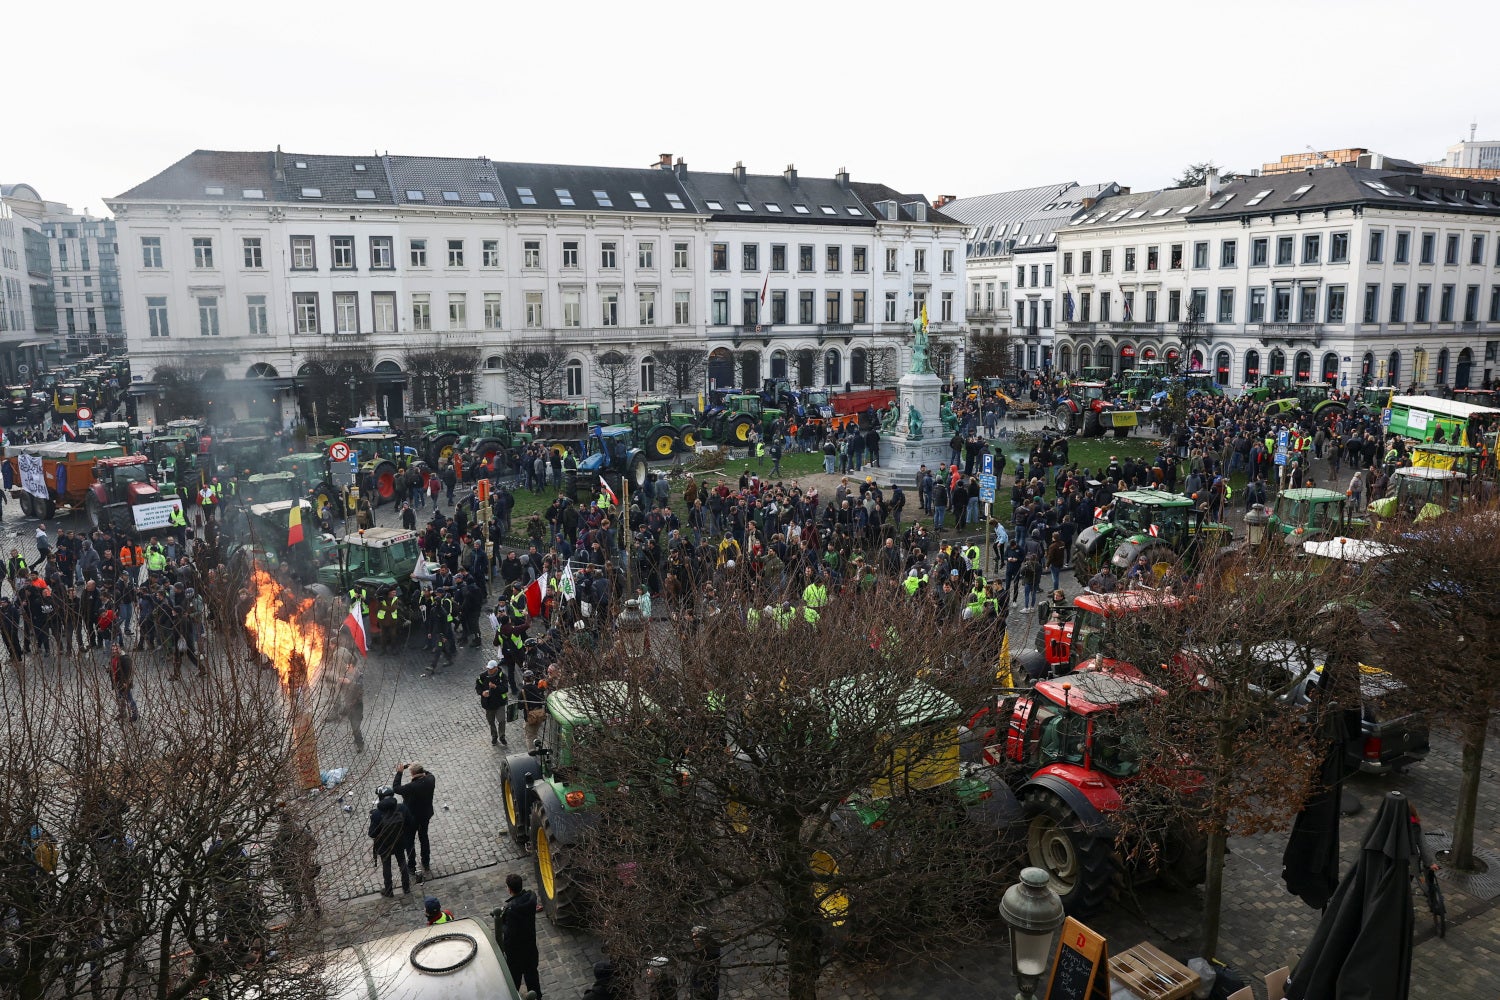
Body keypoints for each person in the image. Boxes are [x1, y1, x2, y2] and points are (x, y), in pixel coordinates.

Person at [494, 873, 541, 998]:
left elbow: (509, 933)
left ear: (509, 889)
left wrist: (501, 921)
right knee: (532, 976)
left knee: (514, 980)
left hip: (516, 952)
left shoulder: (511, 910)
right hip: (530, 946)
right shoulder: (531, 898)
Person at [393, 762, 436, 876]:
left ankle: (411, 865)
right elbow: (427, 773)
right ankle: (425, 862)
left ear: (412, 773)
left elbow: (396, 788)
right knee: (424, 838)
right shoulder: (431, 779)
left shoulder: (411, 787)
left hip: (411, 818)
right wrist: (417, 767)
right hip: (425, 816)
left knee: (409, 841)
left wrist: (399, 772)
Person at [369, 793, 411, 897]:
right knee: (402, 862)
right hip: (399, 842)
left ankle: (388, 890)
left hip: (384, 845)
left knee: (386, 866)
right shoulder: (402, 808)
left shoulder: (377, 814)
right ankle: (406, 887)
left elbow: (372, 833)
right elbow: (410, 822)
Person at [477, 659, 509, 746]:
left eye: (491, 669)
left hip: (500, 703)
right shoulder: (482, 676)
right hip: (488, 704)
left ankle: (502, 736)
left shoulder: (502, 676)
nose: (489, 671)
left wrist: (495, 687)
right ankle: (494, 736)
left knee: (501, 720)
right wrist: (482, 693)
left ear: (496, 668)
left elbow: (505, 689)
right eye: (488, 669)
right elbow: (478, 686)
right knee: (491, 721)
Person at [689, 926, 722, 1000]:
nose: (694, 941)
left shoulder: (708, 958)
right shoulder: (706, 949)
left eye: (696, 940)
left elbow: (703, 983)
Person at [108, 644, 138, 722]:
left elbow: (129, 672)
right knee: (120, 699)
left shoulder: (125, 659)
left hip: (124, 683)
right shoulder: (114, 658)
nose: (114, 651)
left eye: (116, 649)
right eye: (113, 650)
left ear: (119, 649)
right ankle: (123, 713)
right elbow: (113, 667)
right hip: (117, 682)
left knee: (129, 699)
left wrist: (125, 682)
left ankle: (135, 714)